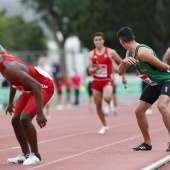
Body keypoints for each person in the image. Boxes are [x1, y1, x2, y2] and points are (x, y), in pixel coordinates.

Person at [117, 27, 170, 152]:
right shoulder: (129, 53)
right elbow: (120, 73)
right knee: (139, 111)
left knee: (161, 106)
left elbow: (163, 67)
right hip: (154, 84)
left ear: (121, 42)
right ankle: (147, 143)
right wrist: (124, 63)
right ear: (133, 37)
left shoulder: (142, 52)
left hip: (166, 81)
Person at [0, 45, 54, 165]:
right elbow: (12, 81)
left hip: (43, 86)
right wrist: (10, 102)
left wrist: (40, 113)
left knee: (25, 118)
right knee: (15, 120)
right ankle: (25, 154)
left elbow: (37, 86)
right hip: (28, 89)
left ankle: (35, 155)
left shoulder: (9, 67)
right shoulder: (3, 64)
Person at [88, 32, 127, 134]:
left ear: (103, 41)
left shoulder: (110, 52)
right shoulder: (91, 54)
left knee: (106, 97)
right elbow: (89, 70)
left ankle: (109, 105)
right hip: (96, 82)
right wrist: (95, 68)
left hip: (107, 80)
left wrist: (123, 77)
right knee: (98, 105)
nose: (98, 41)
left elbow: (122, 62)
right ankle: (104, 125)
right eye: (96, 40)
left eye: (99, 39)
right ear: (94, 41)